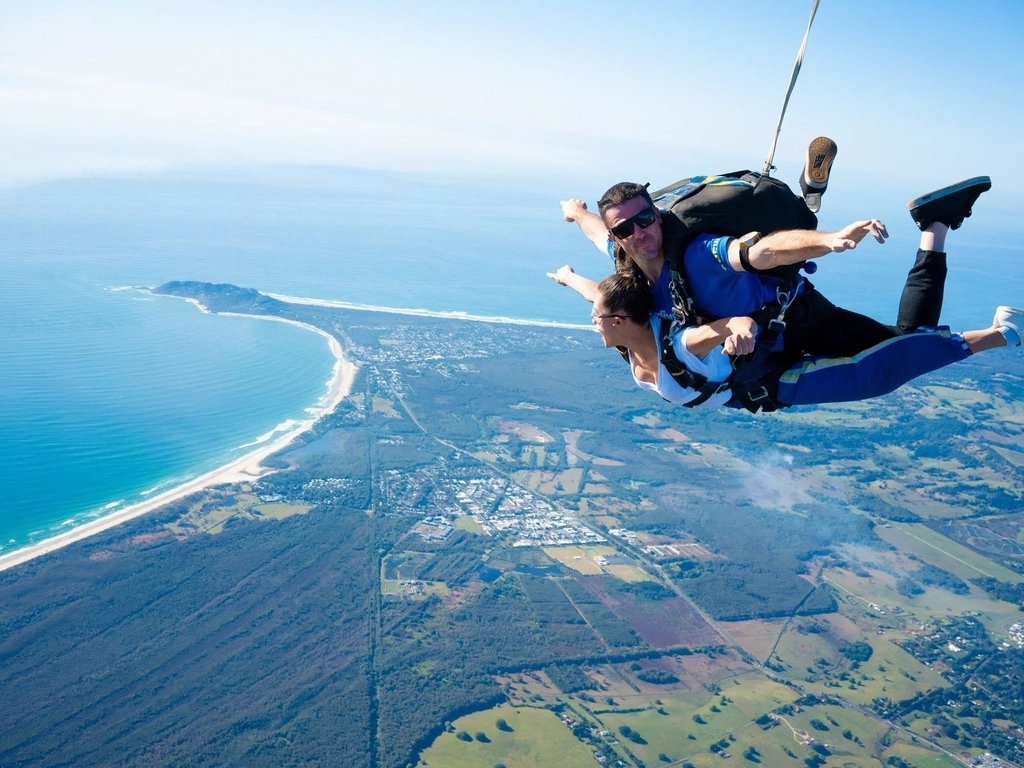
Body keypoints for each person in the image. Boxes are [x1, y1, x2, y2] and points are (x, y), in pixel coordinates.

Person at [559, 150, 991, 359]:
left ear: (658, 214)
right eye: (625, 229)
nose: (640, 232)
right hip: (774, 329)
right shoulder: (625, 266)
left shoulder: (696, 254)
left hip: (804, 320)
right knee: (910, 347)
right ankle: (813, 195)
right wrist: (576, 215)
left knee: (911, 346)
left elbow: (761, 251)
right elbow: (597, 238)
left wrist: (830, 241)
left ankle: (935, 225)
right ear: (618, 238)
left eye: (646, 218)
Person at [588, 270, 1022, 411]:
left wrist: (740, 327)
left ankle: (1003, 334)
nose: (593, 320)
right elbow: (597, 294)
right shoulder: (628, 335)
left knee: (879, 374)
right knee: (899, 346)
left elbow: (729, 325)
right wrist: (569, 271)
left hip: (778, 381)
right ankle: (998, 331)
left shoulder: (682, 345)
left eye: (599, 318)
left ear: (622, 320)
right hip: (760, 386)